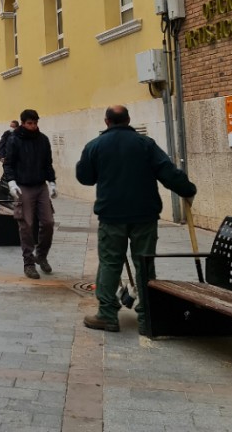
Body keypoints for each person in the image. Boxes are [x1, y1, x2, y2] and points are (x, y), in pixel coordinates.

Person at [76, 105, 196, 332]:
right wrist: (187, 189)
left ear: (107, 121)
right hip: (144, 214)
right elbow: (167, 171)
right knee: (144, 264)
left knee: (110, 263)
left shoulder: (95, 146)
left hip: (112, 215)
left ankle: (107, 314)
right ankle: (146, 317)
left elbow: (85, 178)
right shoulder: (146, 144)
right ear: (128, 120)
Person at [3, 109, 57, 279]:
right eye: (29, 123)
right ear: (24, 123)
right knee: (26, 225)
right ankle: (28, 263)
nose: (33, 126)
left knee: (48, 222)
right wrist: (11, 182)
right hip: (23, 185)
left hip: (41, 185)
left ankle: (41, 255)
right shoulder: (14, 140)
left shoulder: (43, 140)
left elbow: (48, 163)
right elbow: (8, 163)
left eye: (35, 123)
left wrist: (52, 182)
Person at [0, 120, 20, 199]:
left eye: (13, 126)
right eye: (10, 126)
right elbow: (1, 145)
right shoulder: (7, 134)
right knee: (8, 176)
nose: (11, 128)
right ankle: (8, 194)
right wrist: (1, 156)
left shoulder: (20, 135)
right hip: (8, 160)